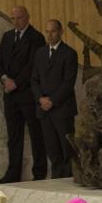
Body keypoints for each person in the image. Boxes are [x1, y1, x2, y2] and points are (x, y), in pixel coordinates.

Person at [0, 5, 47, 184]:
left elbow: (33, 65)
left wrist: (16, 83)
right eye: (13, 18)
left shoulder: (36, 37)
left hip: (28, 95)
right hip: (10, 96)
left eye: (20, 18)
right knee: (14, 136)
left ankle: (39, 173)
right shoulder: (8, 36)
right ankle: (13, 173)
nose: (16, 22)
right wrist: (5, 79)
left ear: (28, 17)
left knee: (36, 134)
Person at [30, 19, 78, 179]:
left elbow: (68, 82)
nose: (50, 35)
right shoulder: (40, 53)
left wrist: (52, 100)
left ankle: (68, 180)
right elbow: (34, 79)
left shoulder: (70, 53)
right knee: (51, 148)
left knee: (66, 148)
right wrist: (41, 99)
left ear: (61, 32)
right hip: (44, 110)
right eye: (47, 31)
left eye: (53, 31)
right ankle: (56, 181)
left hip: (62, 109)